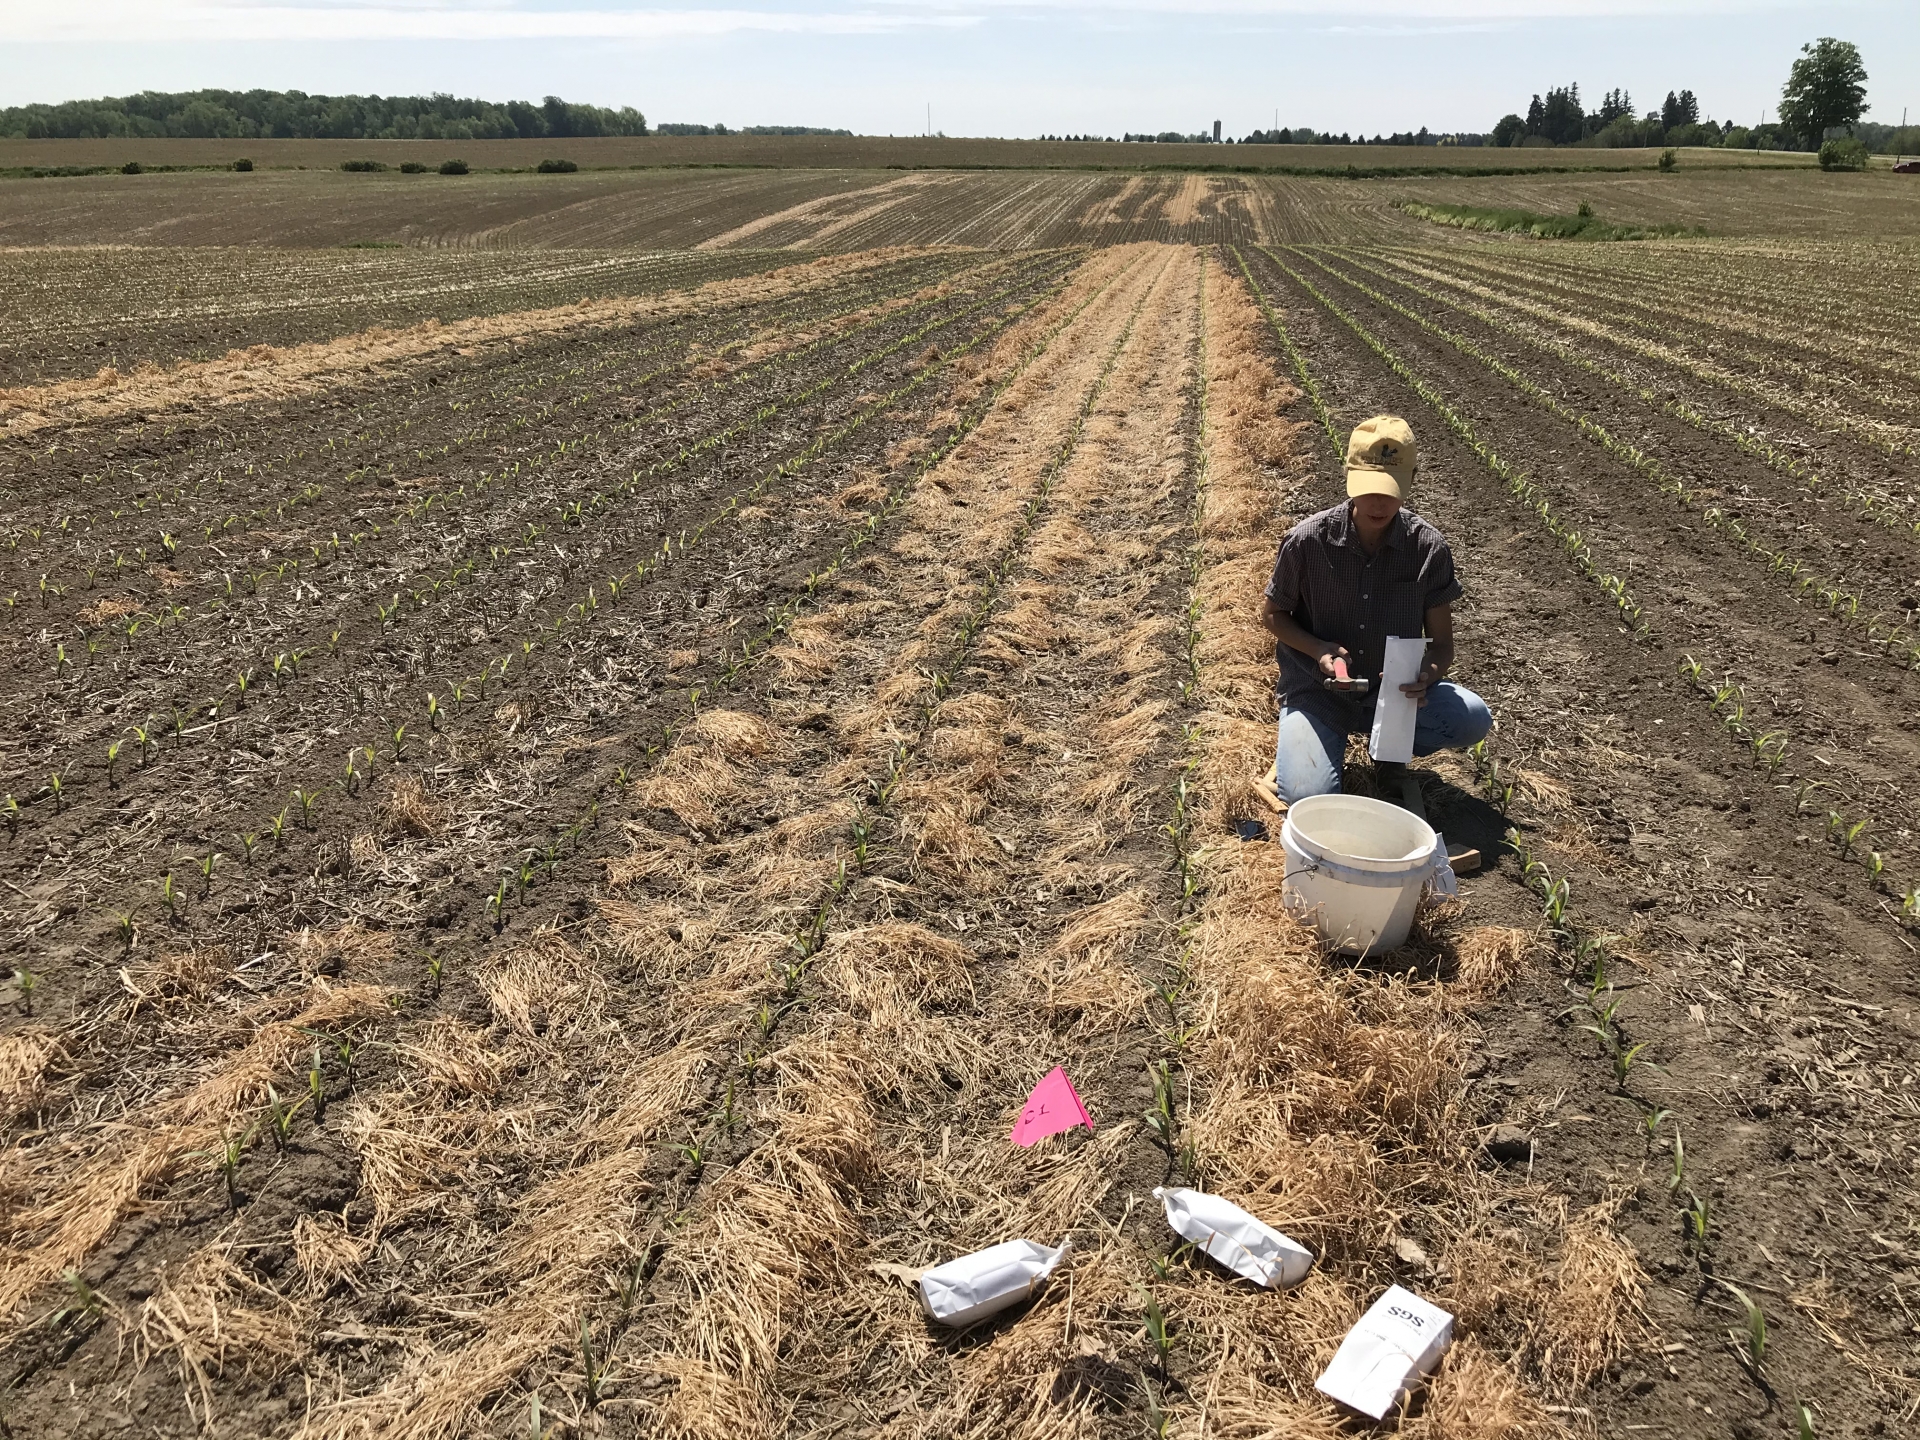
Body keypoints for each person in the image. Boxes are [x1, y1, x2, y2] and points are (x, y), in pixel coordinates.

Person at [1258, 414, 1492, 803]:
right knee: (1308, 795)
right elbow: (1272, 614)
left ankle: (1388, 754)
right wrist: (1318, 649)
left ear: (1411, 479)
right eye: (1369, 489)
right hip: (1319, 692)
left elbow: (1442, 645)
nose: (1379, 503)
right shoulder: (1306, 542)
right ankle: (1307, 744)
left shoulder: (1428, 549)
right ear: (1349, 476)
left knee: (1470, 718)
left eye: (1391, 490)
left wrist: (1426, 675)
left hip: (1394, 695)